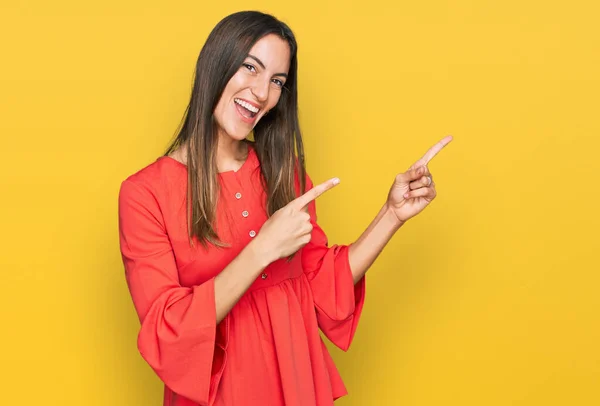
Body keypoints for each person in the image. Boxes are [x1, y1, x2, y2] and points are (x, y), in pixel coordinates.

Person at [117, 10, 452, 406]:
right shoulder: (144, 194)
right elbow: (165, 332)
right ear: (215, 63)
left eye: (277, 81)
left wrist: (392, 215)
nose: (262, 93)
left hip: (296, 387)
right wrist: (261, 250)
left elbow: (321, 288)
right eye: (250, 68)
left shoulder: (284, 175)